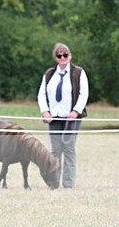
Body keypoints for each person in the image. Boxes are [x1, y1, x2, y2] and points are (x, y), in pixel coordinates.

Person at [37, 42, 89, 188]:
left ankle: (68, 184)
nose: (62, 57)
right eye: (59, 55)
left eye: (65, 55)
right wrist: (45, 111)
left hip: (71, 119)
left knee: (69, 149)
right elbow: (42, 94)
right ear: (55, 57)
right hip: (54, 118)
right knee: (55, 151)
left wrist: (76, 111)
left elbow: (83, 93)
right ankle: (54, 183)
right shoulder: (49, 74)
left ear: (70, 56)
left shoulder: (78, 72)